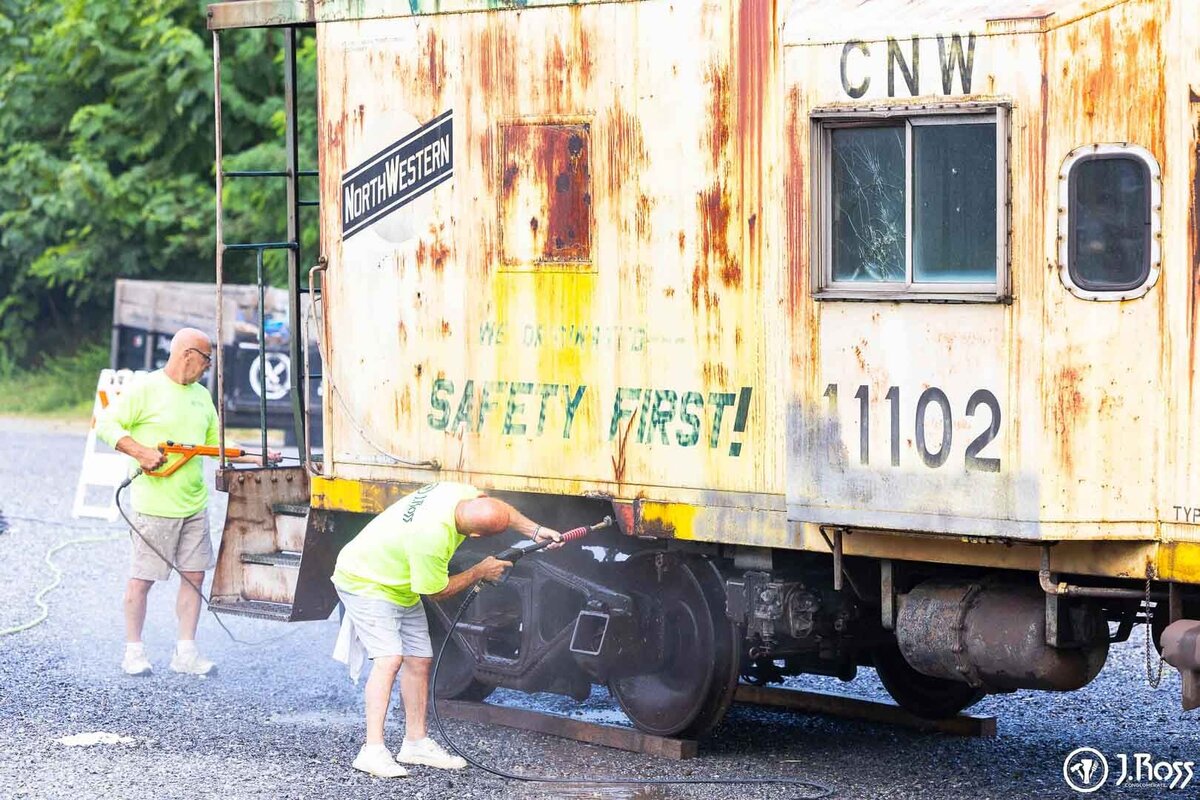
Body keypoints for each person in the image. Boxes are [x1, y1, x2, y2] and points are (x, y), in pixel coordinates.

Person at [331, 482, 562, 777]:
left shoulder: (457, 491)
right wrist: (479, 571)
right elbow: (436, 591)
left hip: (397, 581)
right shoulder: (430, 538)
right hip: (365, 580)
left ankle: (415, 743)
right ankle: (372, 750)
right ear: (475, 535)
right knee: (389, 660)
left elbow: (498, 509)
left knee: (420, 660)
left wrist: (534, 530)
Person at [96, 327, 269, 677]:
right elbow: (106, 423)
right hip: (154, 506)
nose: (208, 367)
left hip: (194, 505)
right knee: (143, 579)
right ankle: (133, 652)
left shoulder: (201, 396)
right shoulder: (145, 388)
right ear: (188, 354)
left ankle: (185, 652)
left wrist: (257, 457)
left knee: (194, 578)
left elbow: (214, 446)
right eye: (206, 359)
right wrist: (141, 452)